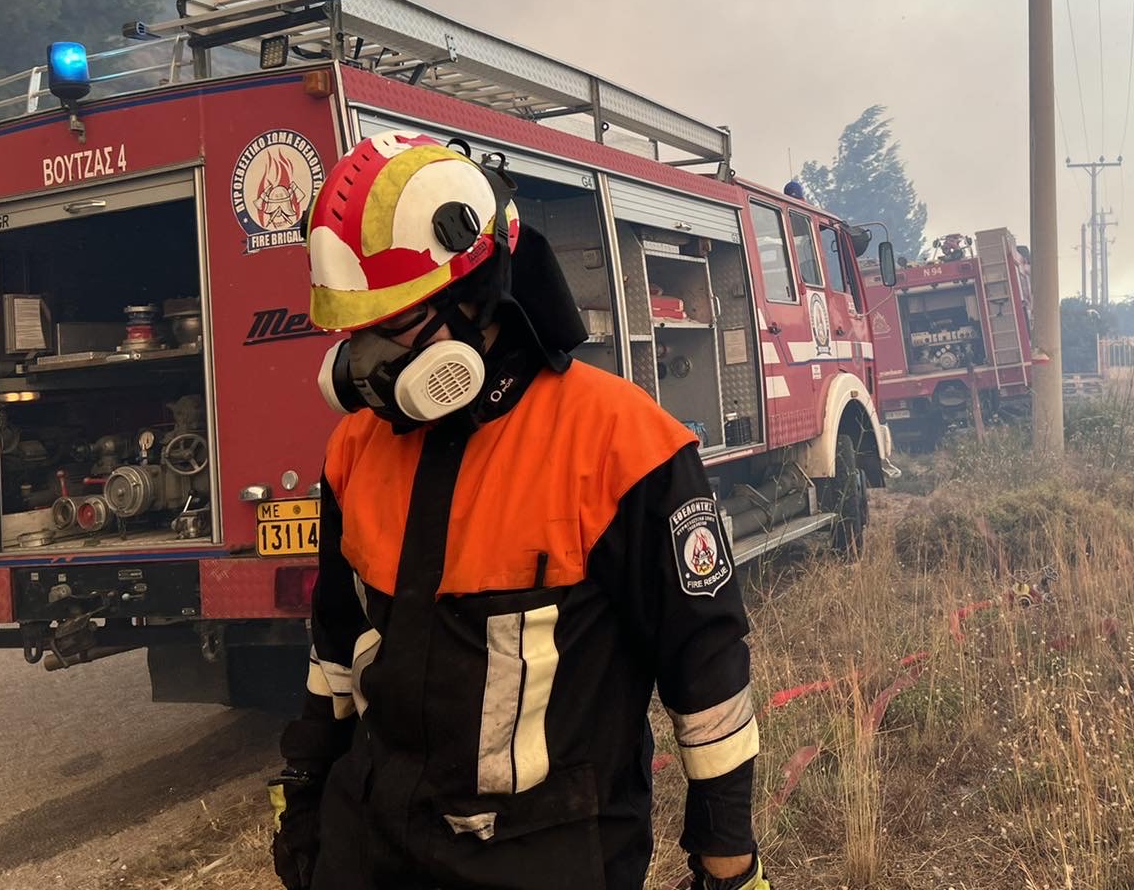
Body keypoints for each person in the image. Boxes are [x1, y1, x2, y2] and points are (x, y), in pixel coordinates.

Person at [269, 131, 769, 890]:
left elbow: (707, 668)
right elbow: (337, 648)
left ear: (477, 294)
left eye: (392, 324)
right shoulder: (354, 451)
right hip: (373, 850)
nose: (366, 363)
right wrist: (307, 800)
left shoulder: (621, 446)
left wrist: (727, 866)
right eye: (353, 333)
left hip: (547, 858)